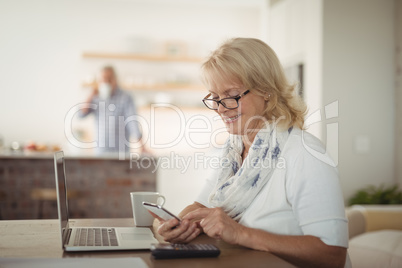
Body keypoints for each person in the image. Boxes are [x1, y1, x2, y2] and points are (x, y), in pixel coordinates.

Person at [153, 38, 350, 268]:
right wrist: (178, 225)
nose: (220, 108)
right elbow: (201, 207)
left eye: (232, 95)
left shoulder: (305, 152)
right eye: (215, 98)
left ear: (266, 90)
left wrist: (240, 233)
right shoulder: (235, 150)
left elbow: (332, 254)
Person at [79, 66, 145, 154]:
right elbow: (80, 114)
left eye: (109, 79)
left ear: (115, 79)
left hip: (121, 151)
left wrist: (142, 146)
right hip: (100, 151)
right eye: (103, 80)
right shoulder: (95, 98)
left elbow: (132, 122)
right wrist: (91, 95)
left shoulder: (126, 97)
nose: (106, 82)